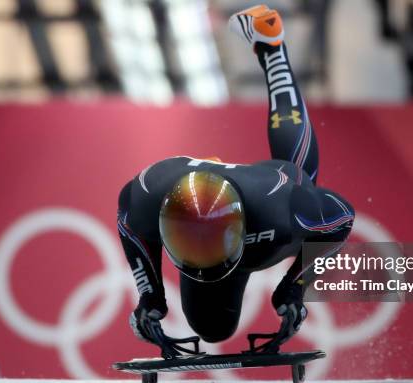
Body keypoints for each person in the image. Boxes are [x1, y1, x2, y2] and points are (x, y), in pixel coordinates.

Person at [117, 5, 354, 358]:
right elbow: (130, 228)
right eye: (188, 241)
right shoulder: (147, 195)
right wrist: (150, 296)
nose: (201, 254)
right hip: (222, 197)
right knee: (212, 328)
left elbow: (343, 219)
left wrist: (295, 288)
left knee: (302, 177)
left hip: (269, 195)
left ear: (239, 228)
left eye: (208, 243)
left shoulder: (284, 209)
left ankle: (272, 48)